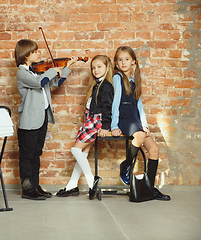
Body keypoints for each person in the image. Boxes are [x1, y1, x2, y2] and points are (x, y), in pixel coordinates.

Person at [14, 39, 78, 200]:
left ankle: (35, 186)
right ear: (26, 55)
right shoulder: (22, 73)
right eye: (35, 51)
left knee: (36, 154)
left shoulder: (37, 71)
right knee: (27, 156)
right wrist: (53, 69)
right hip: (29, 121)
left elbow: (55, 82)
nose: (39, 54)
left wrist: (67, 67)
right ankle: (27, 189)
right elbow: (39, 83)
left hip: (41, 119)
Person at [111, 46, 170, 201]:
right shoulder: (117, 78)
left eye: (127, 59)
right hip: (124, 118)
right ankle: (126, 165)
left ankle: (149, 189)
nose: (123, 62)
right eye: (120, 60)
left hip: (135, 119)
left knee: (154, 150)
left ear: (134, 63)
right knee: (138, 136)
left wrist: (145, 125)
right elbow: (115, 103)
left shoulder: (134, 81)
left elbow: (140, 106)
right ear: (116, 63)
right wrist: (114, 125)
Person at [56, 55, 114, 200]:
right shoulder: (96, 85)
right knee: (83, 153)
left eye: (99, 67)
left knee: (75, 149)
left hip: (97, 121)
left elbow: (107, 108)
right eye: (93, 67)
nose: (96, 70)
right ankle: (72, 185)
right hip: (90, 120)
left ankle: (91, 181)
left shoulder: (106, 86)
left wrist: (105, 127)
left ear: (107, 68)